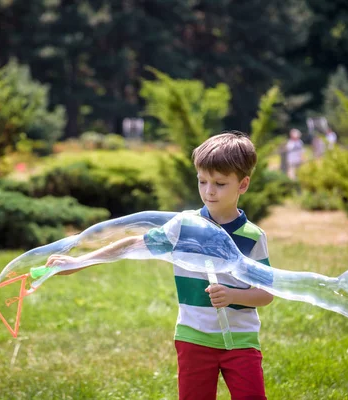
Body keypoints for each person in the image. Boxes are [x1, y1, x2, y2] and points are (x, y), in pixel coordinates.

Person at [47, 131, 273, 400]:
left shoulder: (253, 236)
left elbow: (266, 294)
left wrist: (234, 295)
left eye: (220, 183)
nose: (209, 191)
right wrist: (79, 261)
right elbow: (132, 244)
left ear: (243, 185)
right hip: (194, 339)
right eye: (202, 181)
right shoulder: (183, 226)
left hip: (241, 342)